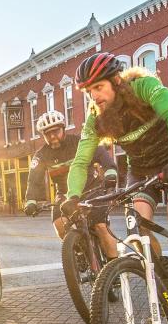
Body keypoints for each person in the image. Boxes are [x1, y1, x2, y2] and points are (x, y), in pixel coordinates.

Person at [63, 52, 168, 324]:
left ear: (115, 80)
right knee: (137, 229)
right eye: (88, 91)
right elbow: (80, 161)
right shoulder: (95, 119)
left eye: (98, 87)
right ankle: (165, 270)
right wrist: (72, 195)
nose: (93, 96)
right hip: (141, 170)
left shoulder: (143, 88)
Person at [22, 110, 119, 256]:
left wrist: (110, 171)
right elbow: (34, 179)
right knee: (59, 225)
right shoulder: (41, 155)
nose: (53, 136)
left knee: (100, 226)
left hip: (91, 188)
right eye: (48, 134)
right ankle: (80, 253)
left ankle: (114, 267)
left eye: (56, 131)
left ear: (63, 128)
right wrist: (30, 200)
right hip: (64, 194)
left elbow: (101, 154)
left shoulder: (79, 142)